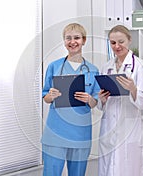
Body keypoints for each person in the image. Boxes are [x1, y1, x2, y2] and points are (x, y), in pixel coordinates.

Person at [41, 23, 100, 176]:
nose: (72, 42)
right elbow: (46, 97)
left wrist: (89, 99)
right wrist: (51, 95)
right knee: (51, 172)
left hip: (80, 132)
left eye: (77, 38)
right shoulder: (54, 66)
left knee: (78, 173)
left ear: (84, 40)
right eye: (68, 38)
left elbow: (95, 102)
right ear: (64, 41)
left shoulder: (93, 70)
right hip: (56, 132)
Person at [97, 25, 143, 176]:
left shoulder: (140, 66)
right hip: (109, 126)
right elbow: (100, 105)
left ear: (129, 40)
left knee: (127, 167)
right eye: (113, 43)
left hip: (129, 127)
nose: (117, 46)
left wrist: (133, 89)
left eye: (121, 41)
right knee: (108, 167)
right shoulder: (106, 67)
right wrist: (101, 100)